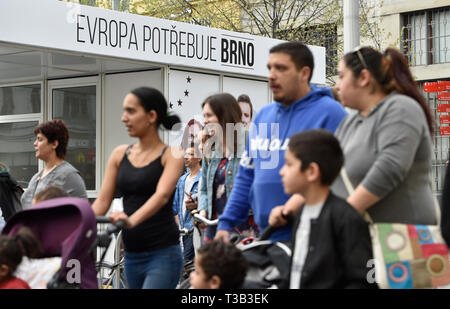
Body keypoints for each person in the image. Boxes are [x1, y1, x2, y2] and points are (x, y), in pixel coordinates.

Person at [270, 46, 437, 229]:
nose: (338, 85)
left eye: (342, 76)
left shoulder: (401, 109)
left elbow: (389, 169)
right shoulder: (351, 122)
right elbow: (326, 172)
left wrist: (342, 216)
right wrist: (288, 209)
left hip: (405, 242)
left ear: (364, 78)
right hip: (364, 239)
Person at [215, 42, 347, 242]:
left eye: (281, 68)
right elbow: (246, 176)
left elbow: (336, 178)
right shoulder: (262, 117)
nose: (272, 75)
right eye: (270, 68)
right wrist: (226, 224)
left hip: (317, 237)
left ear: (304, 73)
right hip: (267, 235)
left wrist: (291, 208)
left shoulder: (331, 114)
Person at [92, 86, 184, 289]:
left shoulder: (172, 154)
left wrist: (130, 221)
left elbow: (161, 195)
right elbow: (103, 201)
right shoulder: (119, 154)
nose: (124, 118)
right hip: (132, 255)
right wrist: (78, 224)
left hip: (163, 253)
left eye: (131, 111)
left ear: (151, 116)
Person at [280, 129, 374, 288]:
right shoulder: (302, 213)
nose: (281, 171)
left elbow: (363, 280)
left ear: (311, 171)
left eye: (289, 164)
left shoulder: (346, 218)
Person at [198, 93, 255, 241]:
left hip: (245, 228)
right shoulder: (210, 148)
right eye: (204, 116)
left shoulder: (251, 142)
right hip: (214, 227)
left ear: (224, 115)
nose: (205, 121)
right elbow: (204, 187)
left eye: (209, 116)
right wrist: (203, 211)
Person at [20, 120, 87, 209]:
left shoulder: (69, 175)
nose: (35, 143)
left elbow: (83, 213)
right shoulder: (36, 178)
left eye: (40, 139)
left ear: (54, 144)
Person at [173, 146, 202, 265]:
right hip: (183, 229)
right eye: (185, 154)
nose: (186, 157)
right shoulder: (182, 180)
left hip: (196, 226)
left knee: (188, 263)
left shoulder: (203, 178)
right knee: (188, 264)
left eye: (190, 154)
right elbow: (176, 205)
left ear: (199, 158)